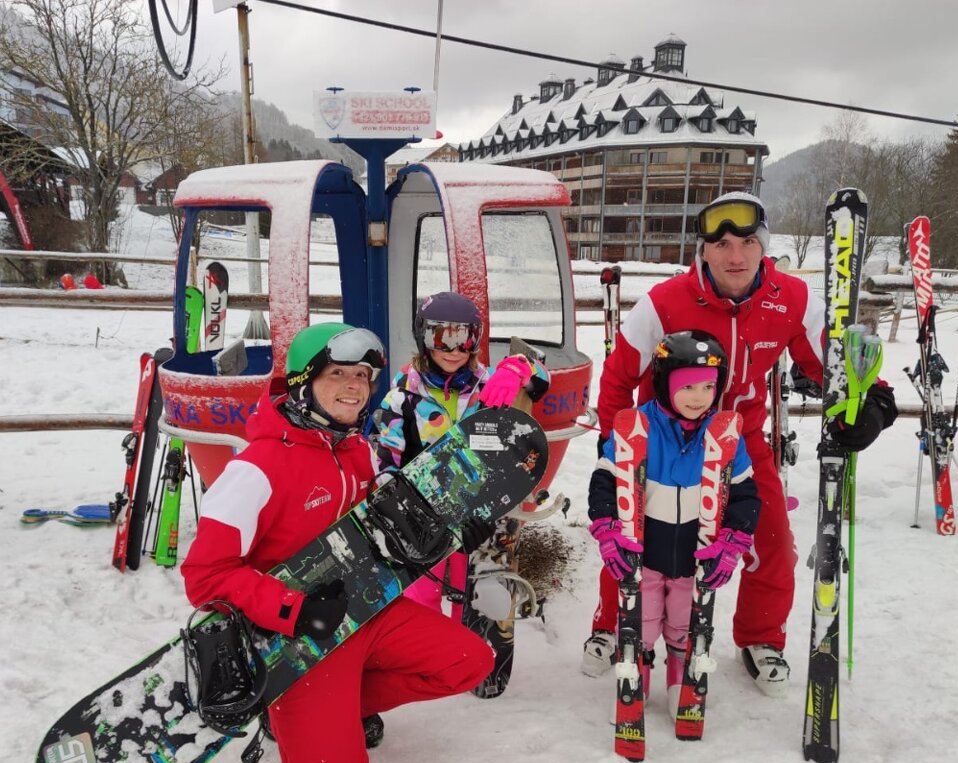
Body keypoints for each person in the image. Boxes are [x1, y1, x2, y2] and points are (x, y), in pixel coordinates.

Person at [584, 191, 897, 696]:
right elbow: (619, 377)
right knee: (633, 538)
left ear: (763, 247)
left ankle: (760, 636)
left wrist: (875, 403)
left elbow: (832, 362)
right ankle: (611, 626)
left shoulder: (792, 298)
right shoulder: (663, 302)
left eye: (748, 242)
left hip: (741, 440)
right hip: (659, 438)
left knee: (771, 540)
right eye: (723, 243)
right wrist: (615, 446)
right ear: (703, 251)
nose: (735, 256)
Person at [181, 322, 494, 763]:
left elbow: (386, 533)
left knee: (469, 662)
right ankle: (287, 711)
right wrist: (294, 610)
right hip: (297, 640)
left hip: (365, 615)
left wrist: (452, 532)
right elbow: (205, 576)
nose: (355, 386)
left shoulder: (359, 451)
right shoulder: (255, 470)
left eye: (364, 376)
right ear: (304, 382)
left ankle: (339, 711)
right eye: (339, 373)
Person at [585, 331, 760, 718]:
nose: (699, 397)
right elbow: (604, 482)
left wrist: (733, 540)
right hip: (644, 552)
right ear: (665, 384)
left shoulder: (723, 435)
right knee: (642, 619)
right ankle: (641, 665)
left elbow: (746, 493)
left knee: (685, 619)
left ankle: (681, 671)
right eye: (688, 387)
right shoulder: (638, 428)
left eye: (708, 387)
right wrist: (608, 527)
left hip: (695, 554)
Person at [373, 291, 549, 618]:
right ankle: (425, 656)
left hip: (479, 512)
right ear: (423, 337)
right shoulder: (404, 395)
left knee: (469, 597)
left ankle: (467, 654)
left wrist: (517, 369)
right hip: (426, 513)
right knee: (422, 597)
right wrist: (400, 510)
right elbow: (386, 455)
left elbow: (540, 380)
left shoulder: (488, 385)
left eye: (465, 339)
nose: (454, 351)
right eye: (441, 339)